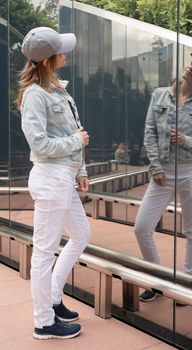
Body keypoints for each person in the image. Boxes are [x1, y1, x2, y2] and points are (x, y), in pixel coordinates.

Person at [17, 27, 91, 339]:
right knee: (45, 252)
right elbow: (40, 144)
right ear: (48, 59)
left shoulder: (57, 89)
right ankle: (43, 322)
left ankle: (54, 297)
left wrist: (80, 169)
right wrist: (76, 142)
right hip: (50, 179)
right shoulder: (35, 95)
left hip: (64, 177)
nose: (66, 53)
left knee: (81, 236)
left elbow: (73, 130)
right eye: (61, 49)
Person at [134, 53, 192, 303]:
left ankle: (187, 282)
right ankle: (156, 278)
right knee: (141, 227)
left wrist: (188, 141)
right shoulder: (160, 94)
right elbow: (149, 132)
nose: (191, 68)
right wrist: (155, 167)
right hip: (163, 173)